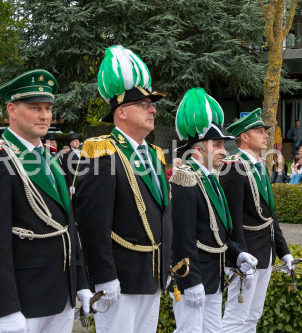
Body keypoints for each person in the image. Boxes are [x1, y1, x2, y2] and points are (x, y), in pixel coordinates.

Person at [0, 69, 91, 333]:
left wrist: (80, 282)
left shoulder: (48, 159)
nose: (44, 115)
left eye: (47, 108)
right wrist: (6, 309)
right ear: (12, 109)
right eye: (35, 107)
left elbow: (68, 226)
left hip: (61, 295)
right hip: (25, 300)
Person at [74, 45, 171, 333]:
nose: (153, 109)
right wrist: (104, 277)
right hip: (120, 278)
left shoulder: (155, 155)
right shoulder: (102, 153)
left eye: (152, 104)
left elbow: (164, 216)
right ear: (122, 112)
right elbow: (92, 224)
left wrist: (166, 266)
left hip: (151, 274)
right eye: (145, 104)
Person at [171, 87, 257, 332]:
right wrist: (190, 281)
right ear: (198, 149)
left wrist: (237, 254)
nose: (223, 150)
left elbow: (216, 233)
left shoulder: (210, 179)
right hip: (194, 277)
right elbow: (182, 237)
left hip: (212, 276)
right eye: (217, 145)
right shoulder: (184, 178)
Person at [220, 108, 293, 331]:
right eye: (259, 131)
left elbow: (270, 215)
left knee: (253, 317)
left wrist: (284, 251)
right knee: (236, 318)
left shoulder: (260, 165)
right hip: (247, 255)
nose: (265, 135)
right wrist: (239, 257)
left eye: (264, 131)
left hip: (265, 252)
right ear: (244, 136)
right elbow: (232, 218)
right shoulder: (233, 167)